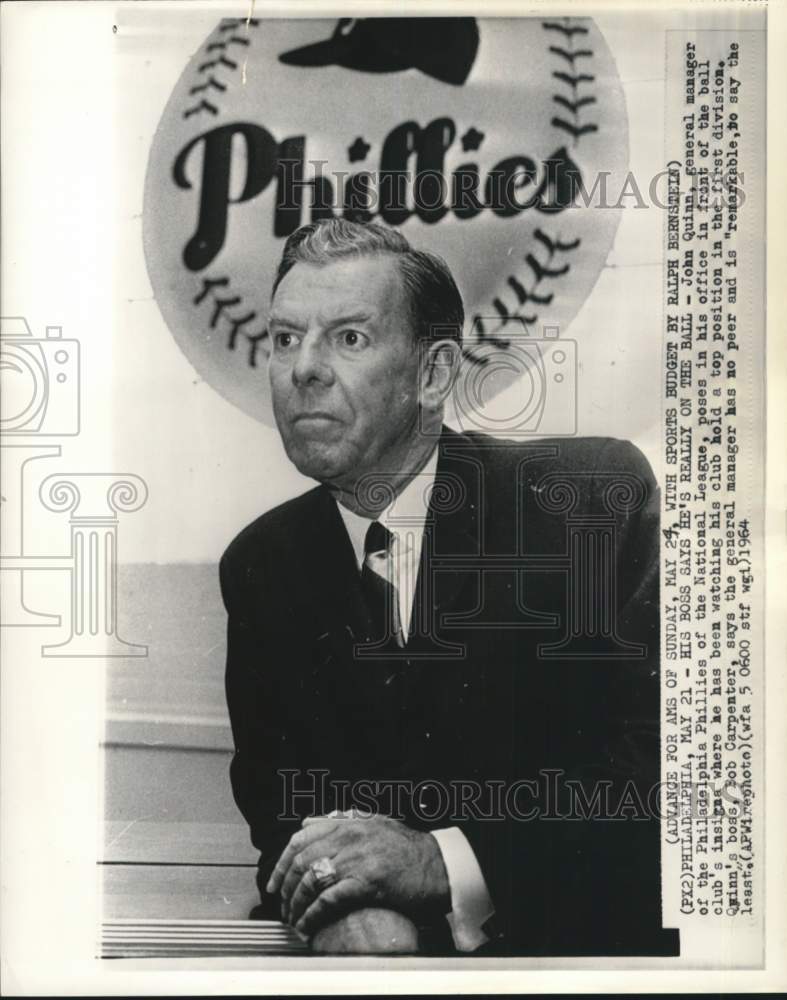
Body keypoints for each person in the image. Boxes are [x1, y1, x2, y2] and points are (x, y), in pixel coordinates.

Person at [220, 219, 678, 956]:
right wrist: (345, 912)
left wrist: (441, 865)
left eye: (348, 338)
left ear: (434, 374)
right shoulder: (263, 562)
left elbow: (656, 779)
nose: (302, 368)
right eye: (282, 338)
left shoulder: (588, 504)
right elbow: (282, 807)